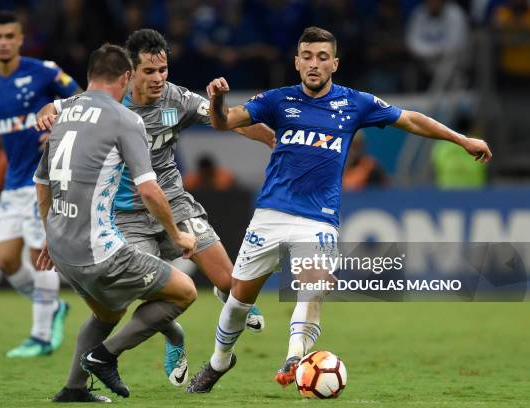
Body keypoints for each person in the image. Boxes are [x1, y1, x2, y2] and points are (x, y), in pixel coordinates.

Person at [186, 26, 492, 393]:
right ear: (297, 62)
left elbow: (410, 118)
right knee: (238, 299)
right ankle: (220, 361)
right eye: (307, 57)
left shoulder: (355, 103)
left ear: (334, 63)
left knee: (313, 285)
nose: (314, 64)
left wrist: (462, 139)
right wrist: (218, 102)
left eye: (322, 57)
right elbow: (223, 123)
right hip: (270, 214)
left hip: (318, 219)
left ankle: (294, 357)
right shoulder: (277, 101)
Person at [37, 28, 274, 387]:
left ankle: (223, 297)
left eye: (163, 70)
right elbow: (57, 107)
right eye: (149, 71)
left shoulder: (177, 99)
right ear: (129, 74)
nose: (159, 78)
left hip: (174, 204)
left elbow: (228, 121)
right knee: (152, 297)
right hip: (126, 215)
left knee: (229, 281)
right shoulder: (109, 104)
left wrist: (272, 137)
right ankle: (174, 337)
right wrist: (44, 112)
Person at [33, 43, 197, 403]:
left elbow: (42, 183)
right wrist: (177, 235)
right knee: (184, 291)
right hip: (98, 250)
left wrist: (50, 234)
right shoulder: (126, 118)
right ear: (126, 77)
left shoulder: (63, 114)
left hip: (62, 247)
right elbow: (150, 190)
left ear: (90, 76)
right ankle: (104, 357)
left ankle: (73, 389)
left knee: (108, 313)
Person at [0, 10, 80, 358]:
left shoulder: (44, 72)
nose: (4, 43)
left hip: (45, 179)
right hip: (13, 182)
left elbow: (87, 99)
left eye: (11, 36)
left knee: (37, 255)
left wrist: (61, 124)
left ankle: (41, 336)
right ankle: (53, 306)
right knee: (6, 262)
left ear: (21, 39)